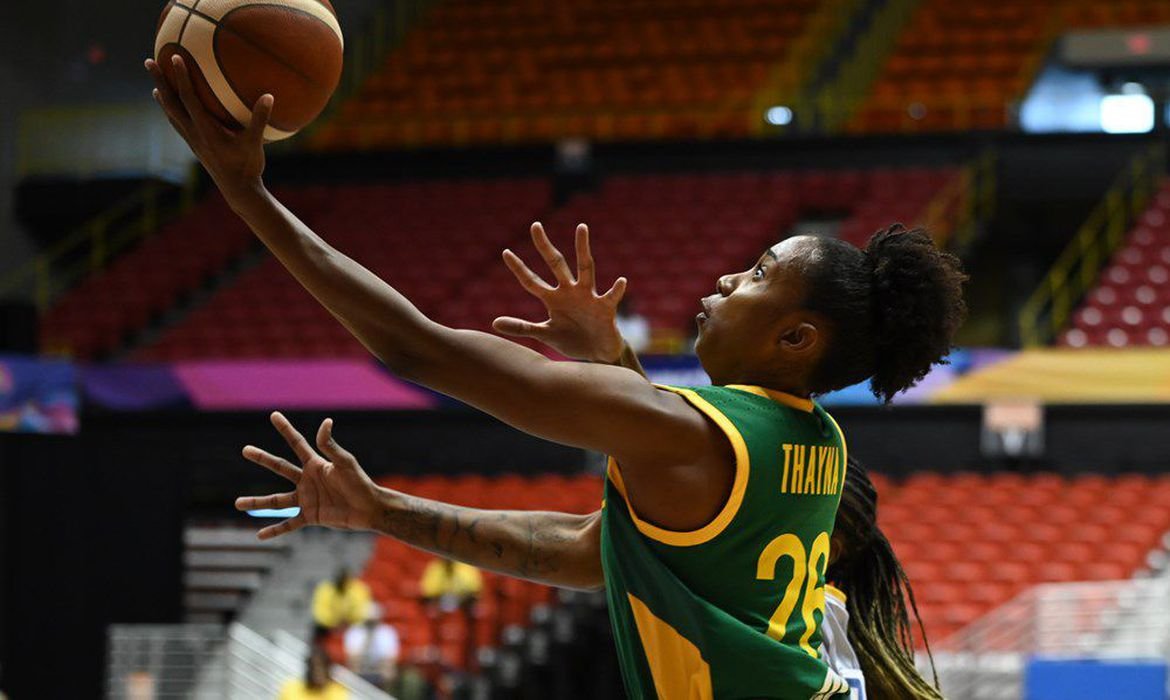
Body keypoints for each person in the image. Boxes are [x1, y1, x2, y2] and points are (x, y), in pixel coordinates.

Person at [148, 55, 965, 699]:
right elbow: (590, 547)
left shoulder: (692, 433)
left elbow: (419, 349)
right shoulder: (813, 437)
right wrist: (378, 508)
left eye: (755, 273)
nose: (723, 283)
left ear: (795, 338)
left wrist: (246, 192)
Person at [343, 604, 400, 690]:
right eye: (369, 621)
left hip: (380, 668)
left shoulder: (388, 632)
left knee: (389, 672)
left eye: (373, 621)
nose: (371, 624)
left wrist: (377, 668)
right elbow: (353, 659)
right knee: (351, 670)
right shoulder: (354, 631)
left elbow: (390, 659)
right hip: (360, 667)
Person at [311, 568, 371, 638]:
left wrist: (350, 619)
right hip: (329, 625)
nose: (342, 582)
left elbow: (362, 610)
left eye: (344, 580)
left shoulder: (358, 590)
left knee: (363, 628)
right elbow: (320, 612)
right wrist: (334, 622)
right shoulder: (325, 590)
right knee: (317, 629)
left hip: (352, 624)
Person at [278, 645, 349, 700]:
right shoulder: (291, 688)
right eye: (314, 668)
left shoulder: (337, 691)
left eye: (322, 668)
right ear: (308, 669)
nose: (318, 672)